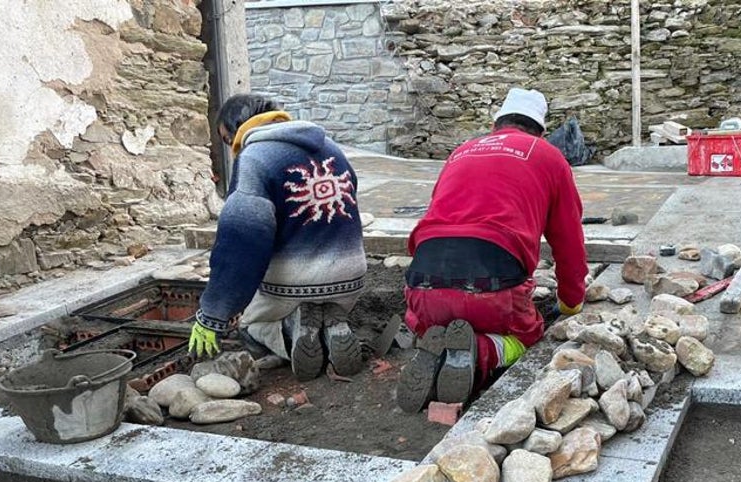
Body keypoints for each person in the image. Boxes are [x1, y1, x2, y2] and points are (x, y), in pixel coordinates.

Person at [396, 87, 588, 413]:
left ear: (495, 124)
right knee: (528, 335)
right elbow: (569, 240)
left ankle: (432, 341)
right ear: (541, 130)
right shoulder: (548, 156)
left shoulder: (462, 151)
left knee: (431, 318)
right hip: (493, 287)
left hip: (423, 285)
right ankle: (482, 351)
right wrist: (571, 302)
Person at [188, 94, 368, 380]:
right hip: (351, 279)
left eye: (226, 140)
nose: (230, 149)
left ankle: (291, 330)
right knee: (323, 294)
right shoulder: (331, 148)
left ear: (237, 130)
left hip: (295, 288)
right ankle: (333, 323)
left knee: (248, 325)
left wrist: (214, 314)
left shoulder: (254, 159)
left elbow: (242, 244)